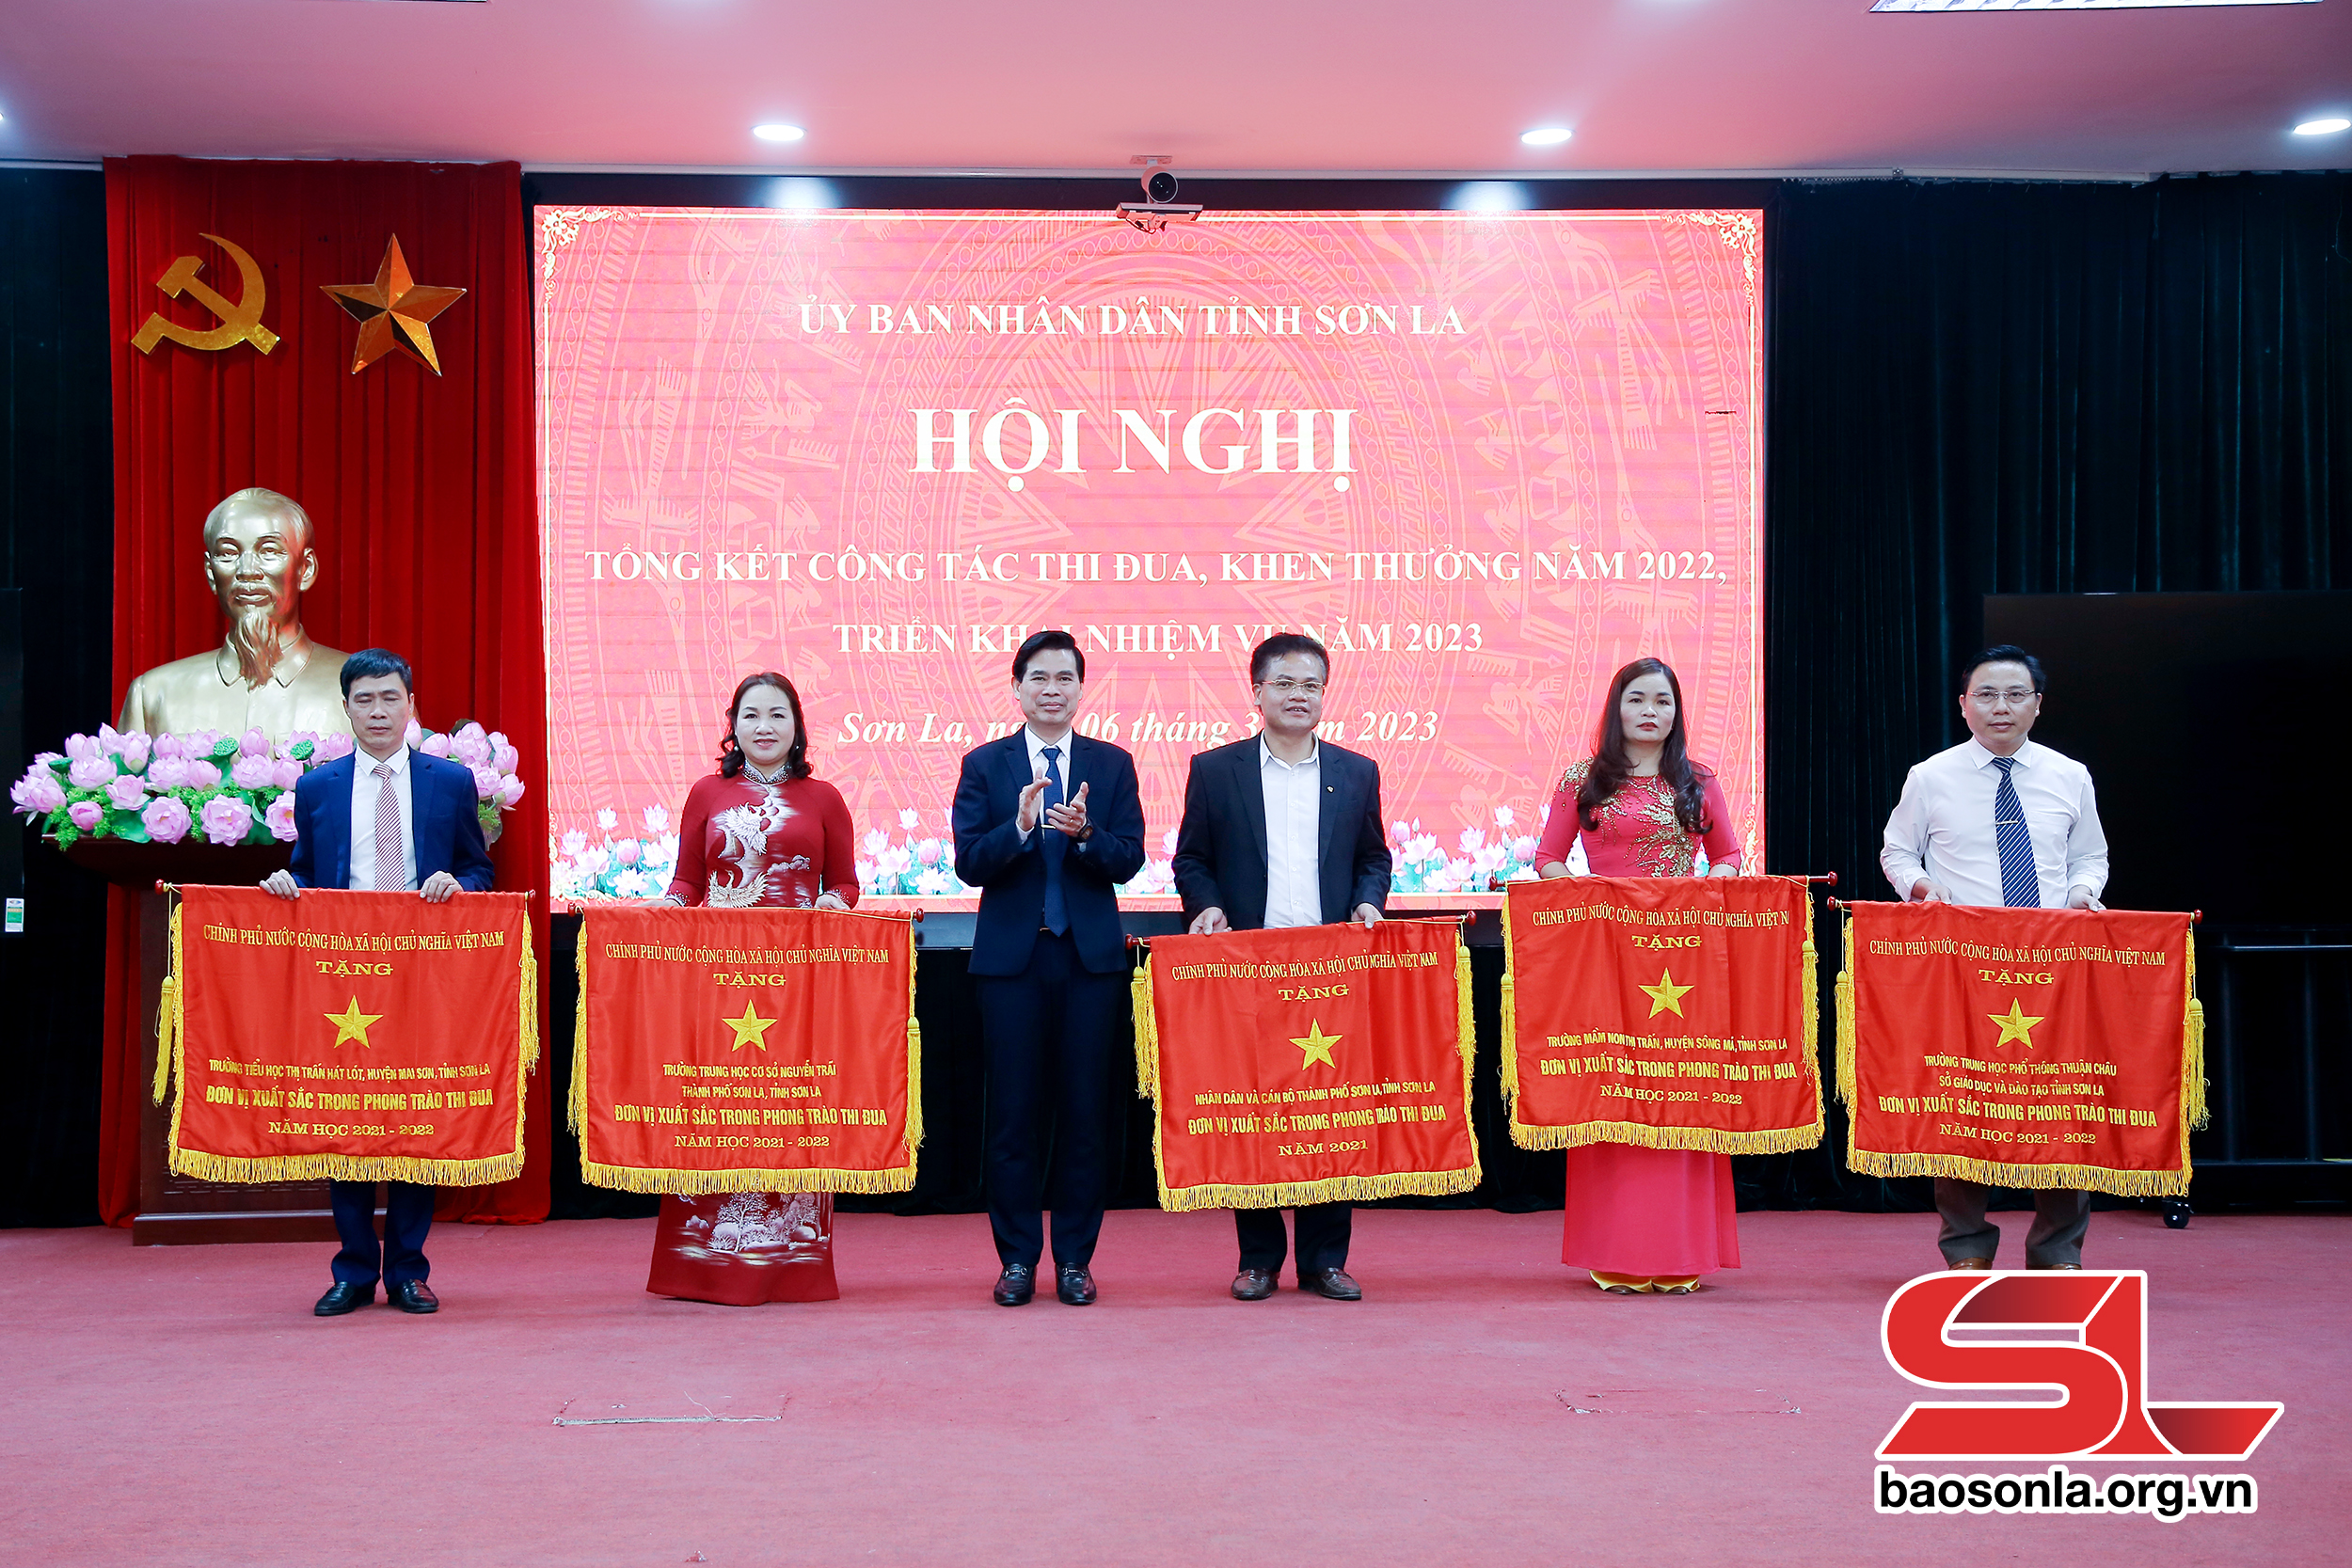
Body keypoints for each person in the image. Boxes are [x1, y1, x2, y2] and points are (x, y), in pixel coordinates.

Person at [261, 648, 494, 1317]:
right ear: (346, 709)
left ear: (410, 703)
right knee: (350, 1122)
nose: (379, 711)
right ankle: (354, 1270)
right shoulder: (318, 787)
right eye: (364, 700)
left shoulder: (451, 782)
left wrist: (458, 884)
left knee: (416, 1118)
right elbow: (309, 873)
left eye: (390, 697)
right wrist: (287, 884)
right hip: (346, 980)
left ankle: (409, 1271)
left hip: (423, 973)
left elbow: (480, 871)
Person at [1172, 633, 1392, 1303]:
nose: (1300, 696)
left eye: (1312, 685)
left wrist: (1369, 899)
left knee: (1329, 1109)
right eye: (1286, 683)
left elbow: (1373, 857)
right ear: (1258, 692)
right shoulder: (1217, 770)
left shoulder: (1357, 771)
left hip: (1331, 969)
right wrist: (1206, 905)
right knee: (1256, 1110)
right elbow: (1192, 859)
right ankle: (1259, 1258)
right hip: (1249, 967)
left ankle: (1325, 1260)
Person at [1881, 644, 2110, 1272]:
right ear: (1964, 705)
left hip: (2055, 964)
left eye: (2015, 694)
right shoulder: (1931, 776)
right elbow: (1897, 851)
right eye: (1985, 694)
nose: (2000, 707)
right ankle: (1965, 1249)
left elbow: (2090, 855)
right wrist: (1922, 889)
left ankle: (2057, 1252)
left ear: (2037, 704)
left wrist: (2082, 892)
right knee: (1965, 1101)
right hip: (1965, 966)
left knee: (2060, 1104)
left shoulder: (2070, 775)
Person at [1532, 657, 1744, 1296]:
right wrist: (1591, 899)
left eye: (1663, 701)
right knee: (1611, 1087)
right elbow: (1547, 858)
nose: (1650, 711)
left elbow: (1728, 856)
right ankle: (1616, 1247)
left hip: (1682, 957)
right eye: (1637, 699)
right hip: (1607, 957)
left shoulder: (1698, 780)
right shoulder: (1582, 779)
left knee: (1681, 1088)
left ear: (1676, 713)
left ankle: (1679, 1248)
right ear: (1616, 708)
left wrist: (1706, 891)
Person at [649, 672, 859, 1306]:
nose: (763, 727)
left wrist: (834, 901)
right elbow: (687, 882)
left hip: (798, 979)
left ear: (797, 726)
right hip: (719, 976)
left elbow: (846, 882)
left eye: (777, 715)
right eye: (751, 715)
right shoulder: (706, 793)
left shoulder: (823, 797)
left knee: (790, 1105)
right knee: (719, 1104)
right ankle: (702, 1263)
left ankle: (791, 1261)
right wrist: (663, 910)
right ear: (733, 726)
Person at [952, 631, 1147, 1307]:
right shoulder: (985, 764)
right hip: (1013, 964)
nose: (1052, 689)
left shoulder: (1111, 764)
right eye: (1039, 677)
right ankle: (1016, 1261)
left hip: (1090, 963)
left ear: (1081, 689)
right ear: (1016, 688)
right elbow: (969, 863)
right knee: (1012, 1118)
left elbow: (1130, 859)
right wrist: (1019, 828)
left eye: (1065, 677)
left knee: (1086, 1116)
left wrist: (1086, 835)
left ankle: (1074, 1261)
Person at [119, 487, 352, 743]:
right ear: (211, 572)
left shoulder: (361, 689)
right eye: (228, 553)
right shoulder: (154, 695)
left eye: (269, 551)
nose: (247, 570)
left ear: (305, 569)